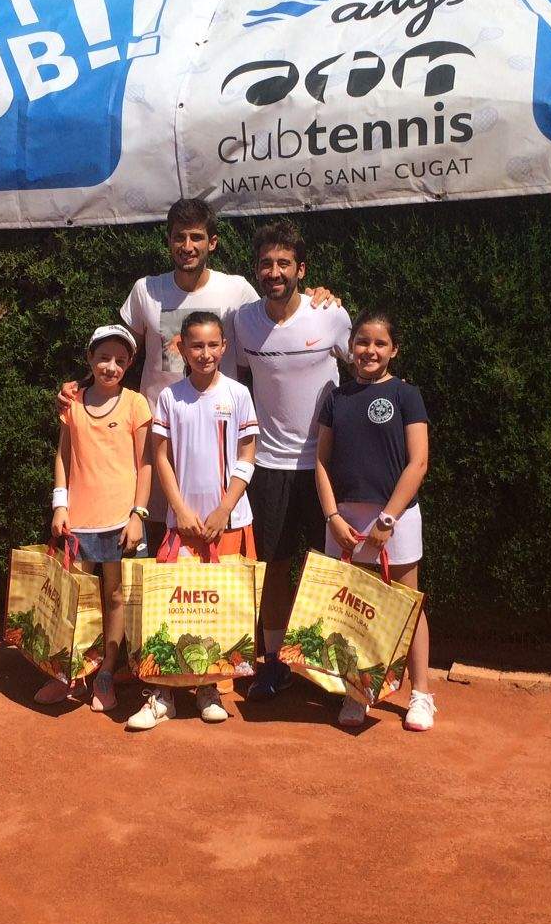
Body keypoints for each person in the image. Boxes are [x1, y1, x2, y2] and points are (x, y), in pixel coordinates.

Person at [61, 197, 338, 549]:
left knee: (220, 539)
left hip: (218, 442)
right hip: (157, 436)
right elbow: (117, 352)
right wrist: (83, 385)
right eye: (179, 238)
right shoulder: (146, 290)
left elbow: (277, 308)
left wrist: (316, 294)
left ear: (212, 243)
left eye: (196, 238)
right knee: (159, 533)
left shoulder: (236, 290)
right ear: (169, 241)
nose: (187, 247)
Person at [230, 219, 351, 700]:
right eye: (266, 263)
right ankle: (276, 662)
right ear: (257, 269)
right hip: (270, 466)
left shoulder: (331, 316)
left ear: (301, 269)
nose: (274, 271)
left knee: (332, 568)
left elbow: (366, 369)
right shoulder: (243, 321)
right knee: (276, 567)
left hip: (326, 468)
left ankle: (330, 664)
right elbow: (238, 382)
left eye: (284, 263)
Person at [129, 310, 258, 730]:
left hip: (231, 521)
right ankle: (163, 694)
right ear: (180, 348)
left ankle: (209, 689)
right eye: (196, 345)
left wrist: (223, 509)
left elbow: (247, 456)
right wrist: (179, 510)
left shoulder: (238, 394)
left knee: (216, 610)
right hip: (181, 526)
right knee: (174, 608)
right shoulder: (169, 397)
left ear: (224, 347)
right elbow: (161, 457)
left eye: (212, 345)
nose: (205, 353)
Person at [314, 311, 435, 731]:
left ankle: (420, 694)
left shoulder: (406, 395)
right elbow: (321, 463)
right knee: (351, 609)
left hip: (395, 518)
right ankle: (356, 691)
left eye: (380, 343)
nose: (370, 350)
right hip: (344, 521)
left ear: (394, 350)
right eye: (363, 342)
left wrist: (388, 518)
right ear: (351, 348)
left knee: (408, 606)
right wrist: (331, 515)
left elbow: (417, 463)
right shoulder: (336, 397)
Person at [38, 325, 152, 712]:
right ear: (89, 359)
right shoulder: (71, 403)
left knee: (116, 596)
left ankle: (105, 673)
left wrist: (138, 514)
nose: (111, 366)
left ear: (130, 365)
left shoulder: (137, 404)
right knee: (79, 600)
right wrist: (60, 505)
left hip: (121, 521)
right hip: (79, 521)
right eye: (104, 357)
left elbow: (146, 464)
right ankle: (71, 674)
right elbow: (62, 456)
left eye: (120, 361)